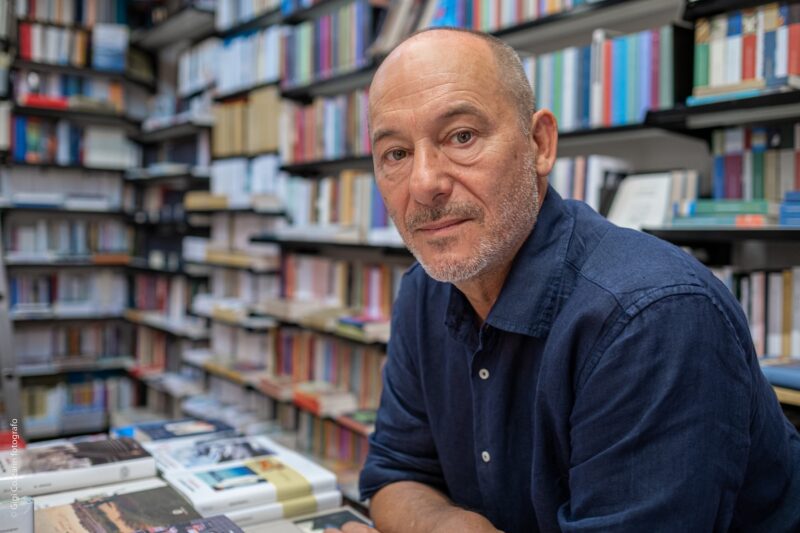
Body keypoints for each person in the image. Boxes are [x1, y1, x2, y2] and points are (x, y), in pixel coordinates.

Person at [334, 28, 800, 533]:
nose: (425, 183)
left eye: (461, 136)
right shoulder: (424, 290)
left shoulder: (651, 317)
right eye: (396, 154)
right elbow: (394, 473)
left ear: (539, 144)